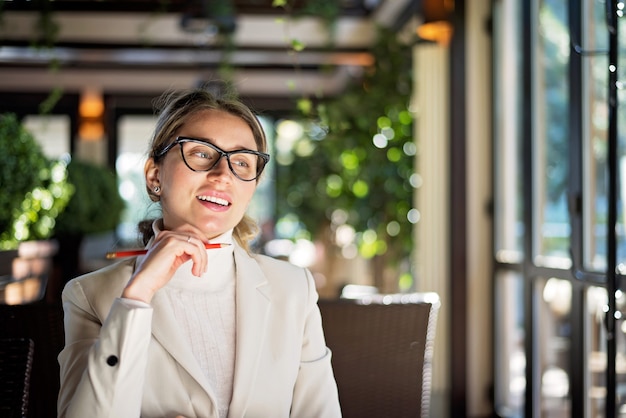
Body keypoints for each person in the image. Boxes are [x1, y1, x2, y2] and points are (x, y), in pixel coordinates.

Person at [57, 88, 342, 418]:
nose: (223, 174)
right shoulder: (89, 295)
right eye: (202, 153)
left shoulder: (294, 289)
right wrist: (136, 298)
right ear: (154, 176)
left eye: (242, 161)